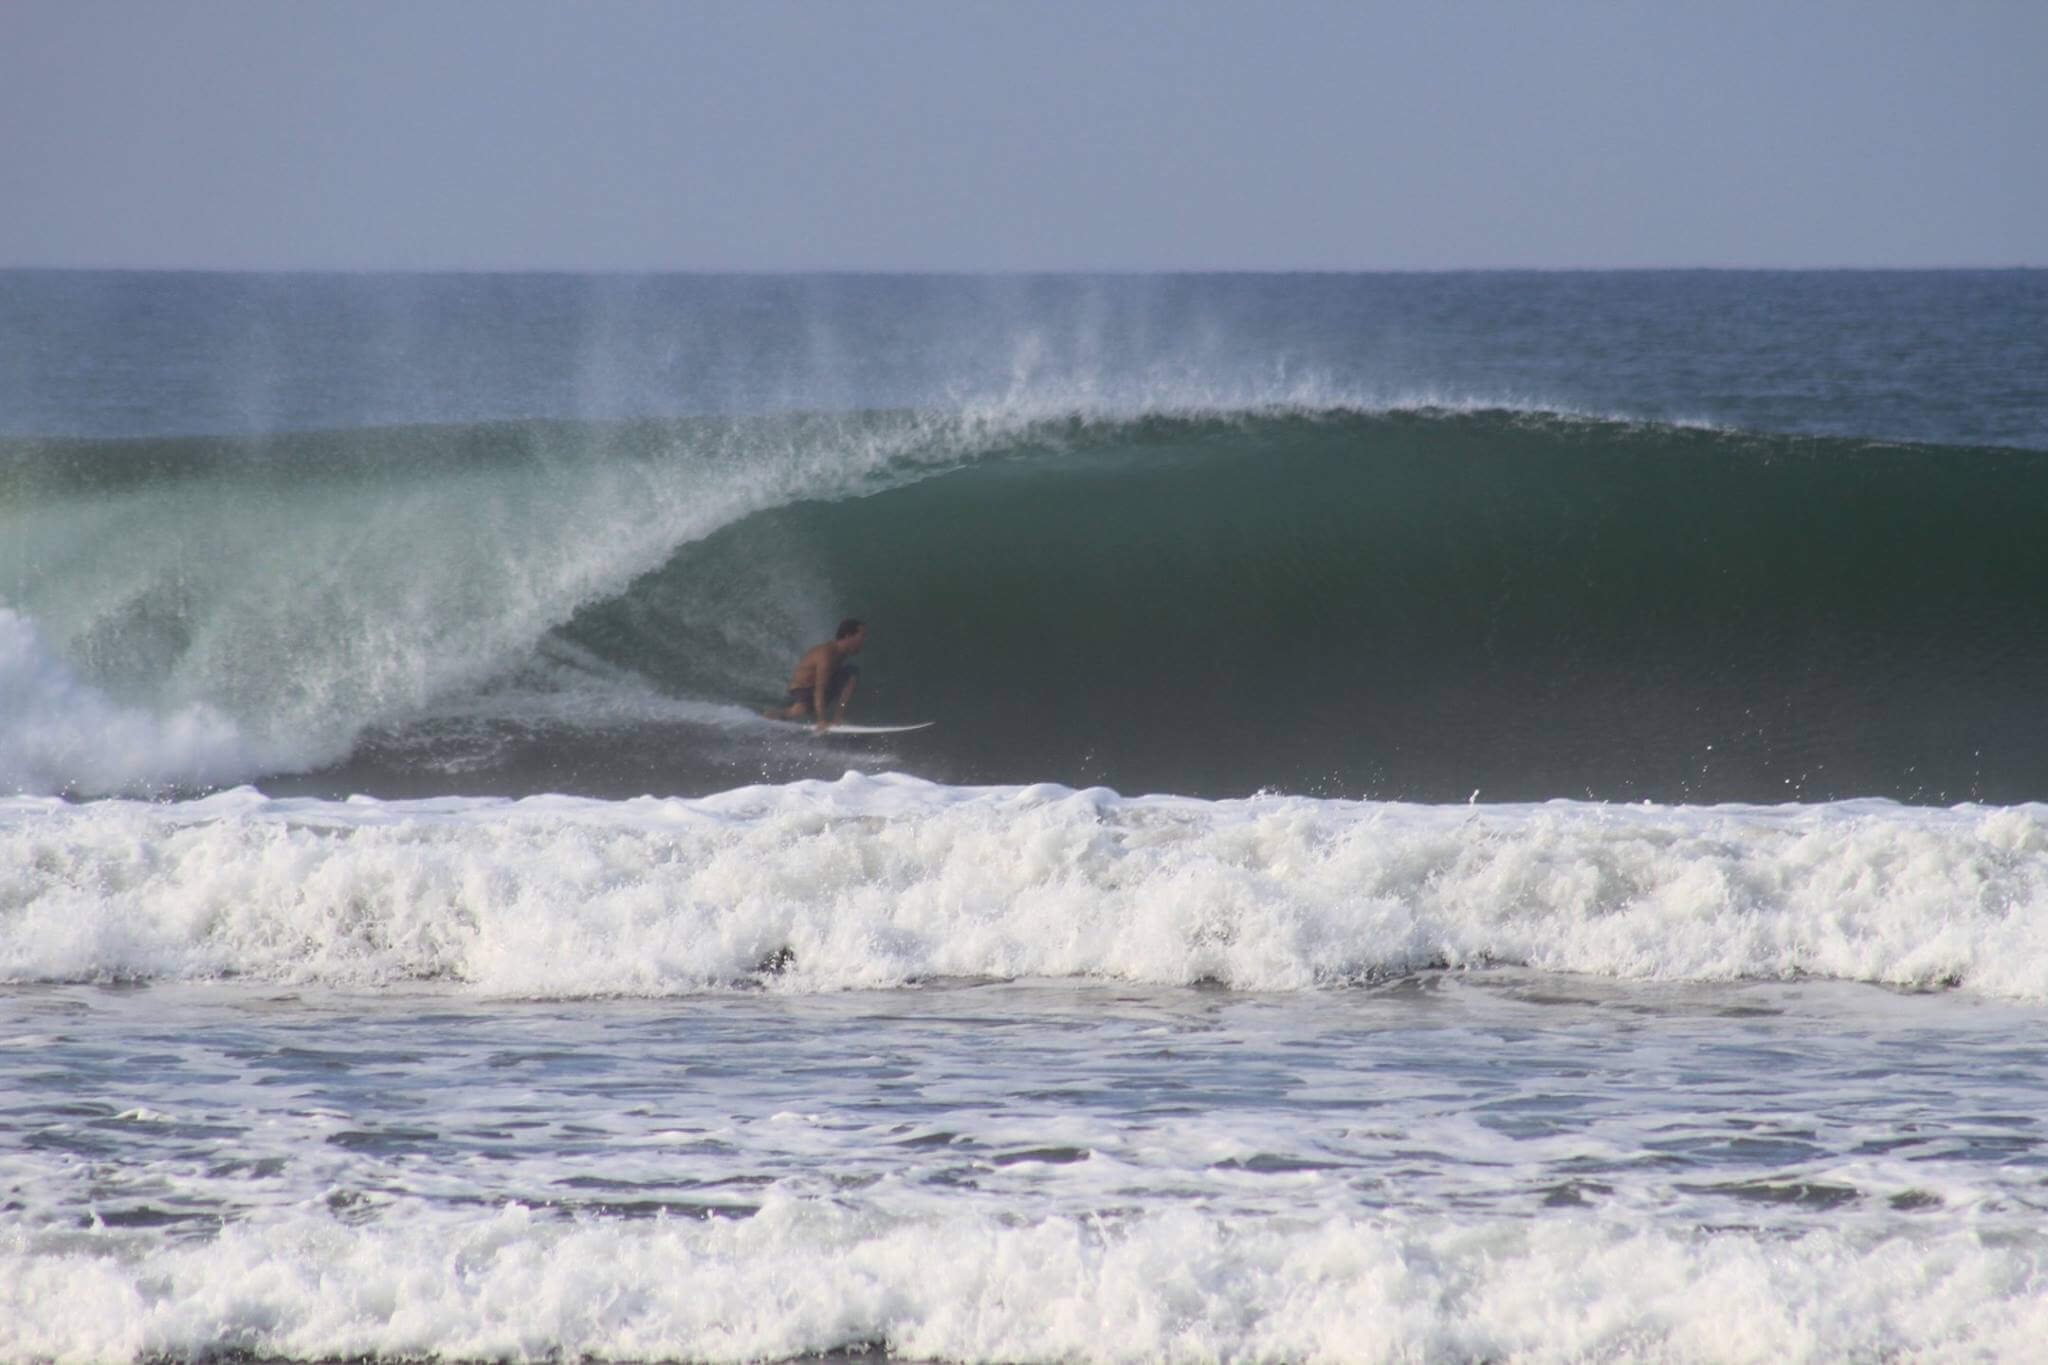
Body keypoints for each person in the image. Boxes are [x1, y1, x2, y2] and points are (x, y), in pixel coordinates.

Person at [765, 618, 866, 732]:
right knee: (801, 710)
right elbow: (819, 689)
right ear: (848, 636)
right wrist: (821, 720)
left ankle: (838, 718)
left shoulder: (842, 652)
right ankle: (774, 715)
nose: (863, 640)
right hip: (803, 688)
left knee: (852, 672)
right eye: (862, 636)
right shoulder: (827, 655)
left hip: (818, 687)